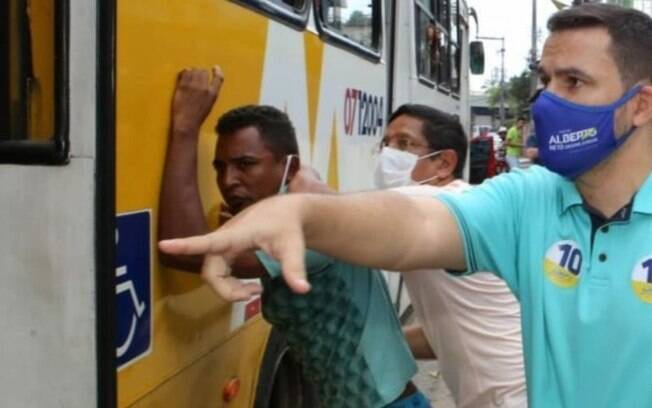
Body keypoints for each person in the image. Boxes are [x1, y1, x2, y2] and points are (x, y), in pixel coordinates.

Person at [159, 4, 652, 407]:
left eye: (574, 82)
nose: (545, 101)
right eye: (545, 80)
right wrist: (299, 212)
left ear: (642, 103)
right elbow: (413, 222)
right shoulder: (528, 200)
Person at [158, 67, 428, 407]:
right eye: (219, 167)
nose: (228, 181)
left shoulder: (305, 225)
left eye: (245, 164)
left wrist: (184, 130)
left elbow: (183, 250)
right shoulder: (289, 207)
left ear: (291, 166)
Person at [376, 104, 527, 407]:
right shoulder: (461, 203)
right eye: (386, 143)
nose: (388, 155)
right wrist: (378, 343)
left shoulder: (437, 202)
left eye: (404, 144)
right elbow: (443, 336)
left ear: (444, 163)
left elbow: (328, 218)